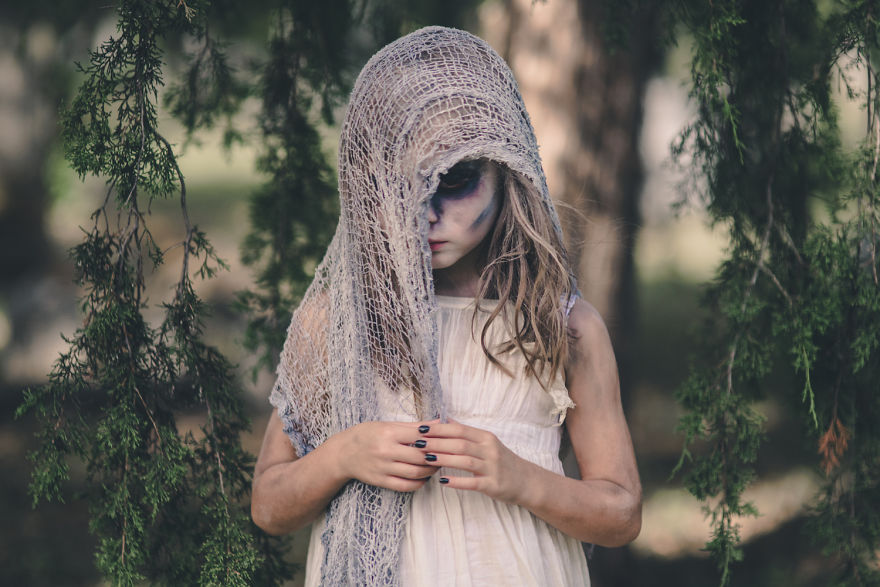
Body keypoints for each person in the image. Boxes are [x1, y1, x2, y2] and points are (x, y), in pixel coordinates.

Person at [251, 26, 641, 586]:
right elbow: (269, 504)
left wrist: (519, 477)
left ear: (507, 169)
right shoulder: (343, 321)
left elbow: (622, 513)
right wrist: (343, 455)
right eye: (402, 185)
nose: (426, 212)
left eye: (455, 180)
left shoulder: (563, 324)